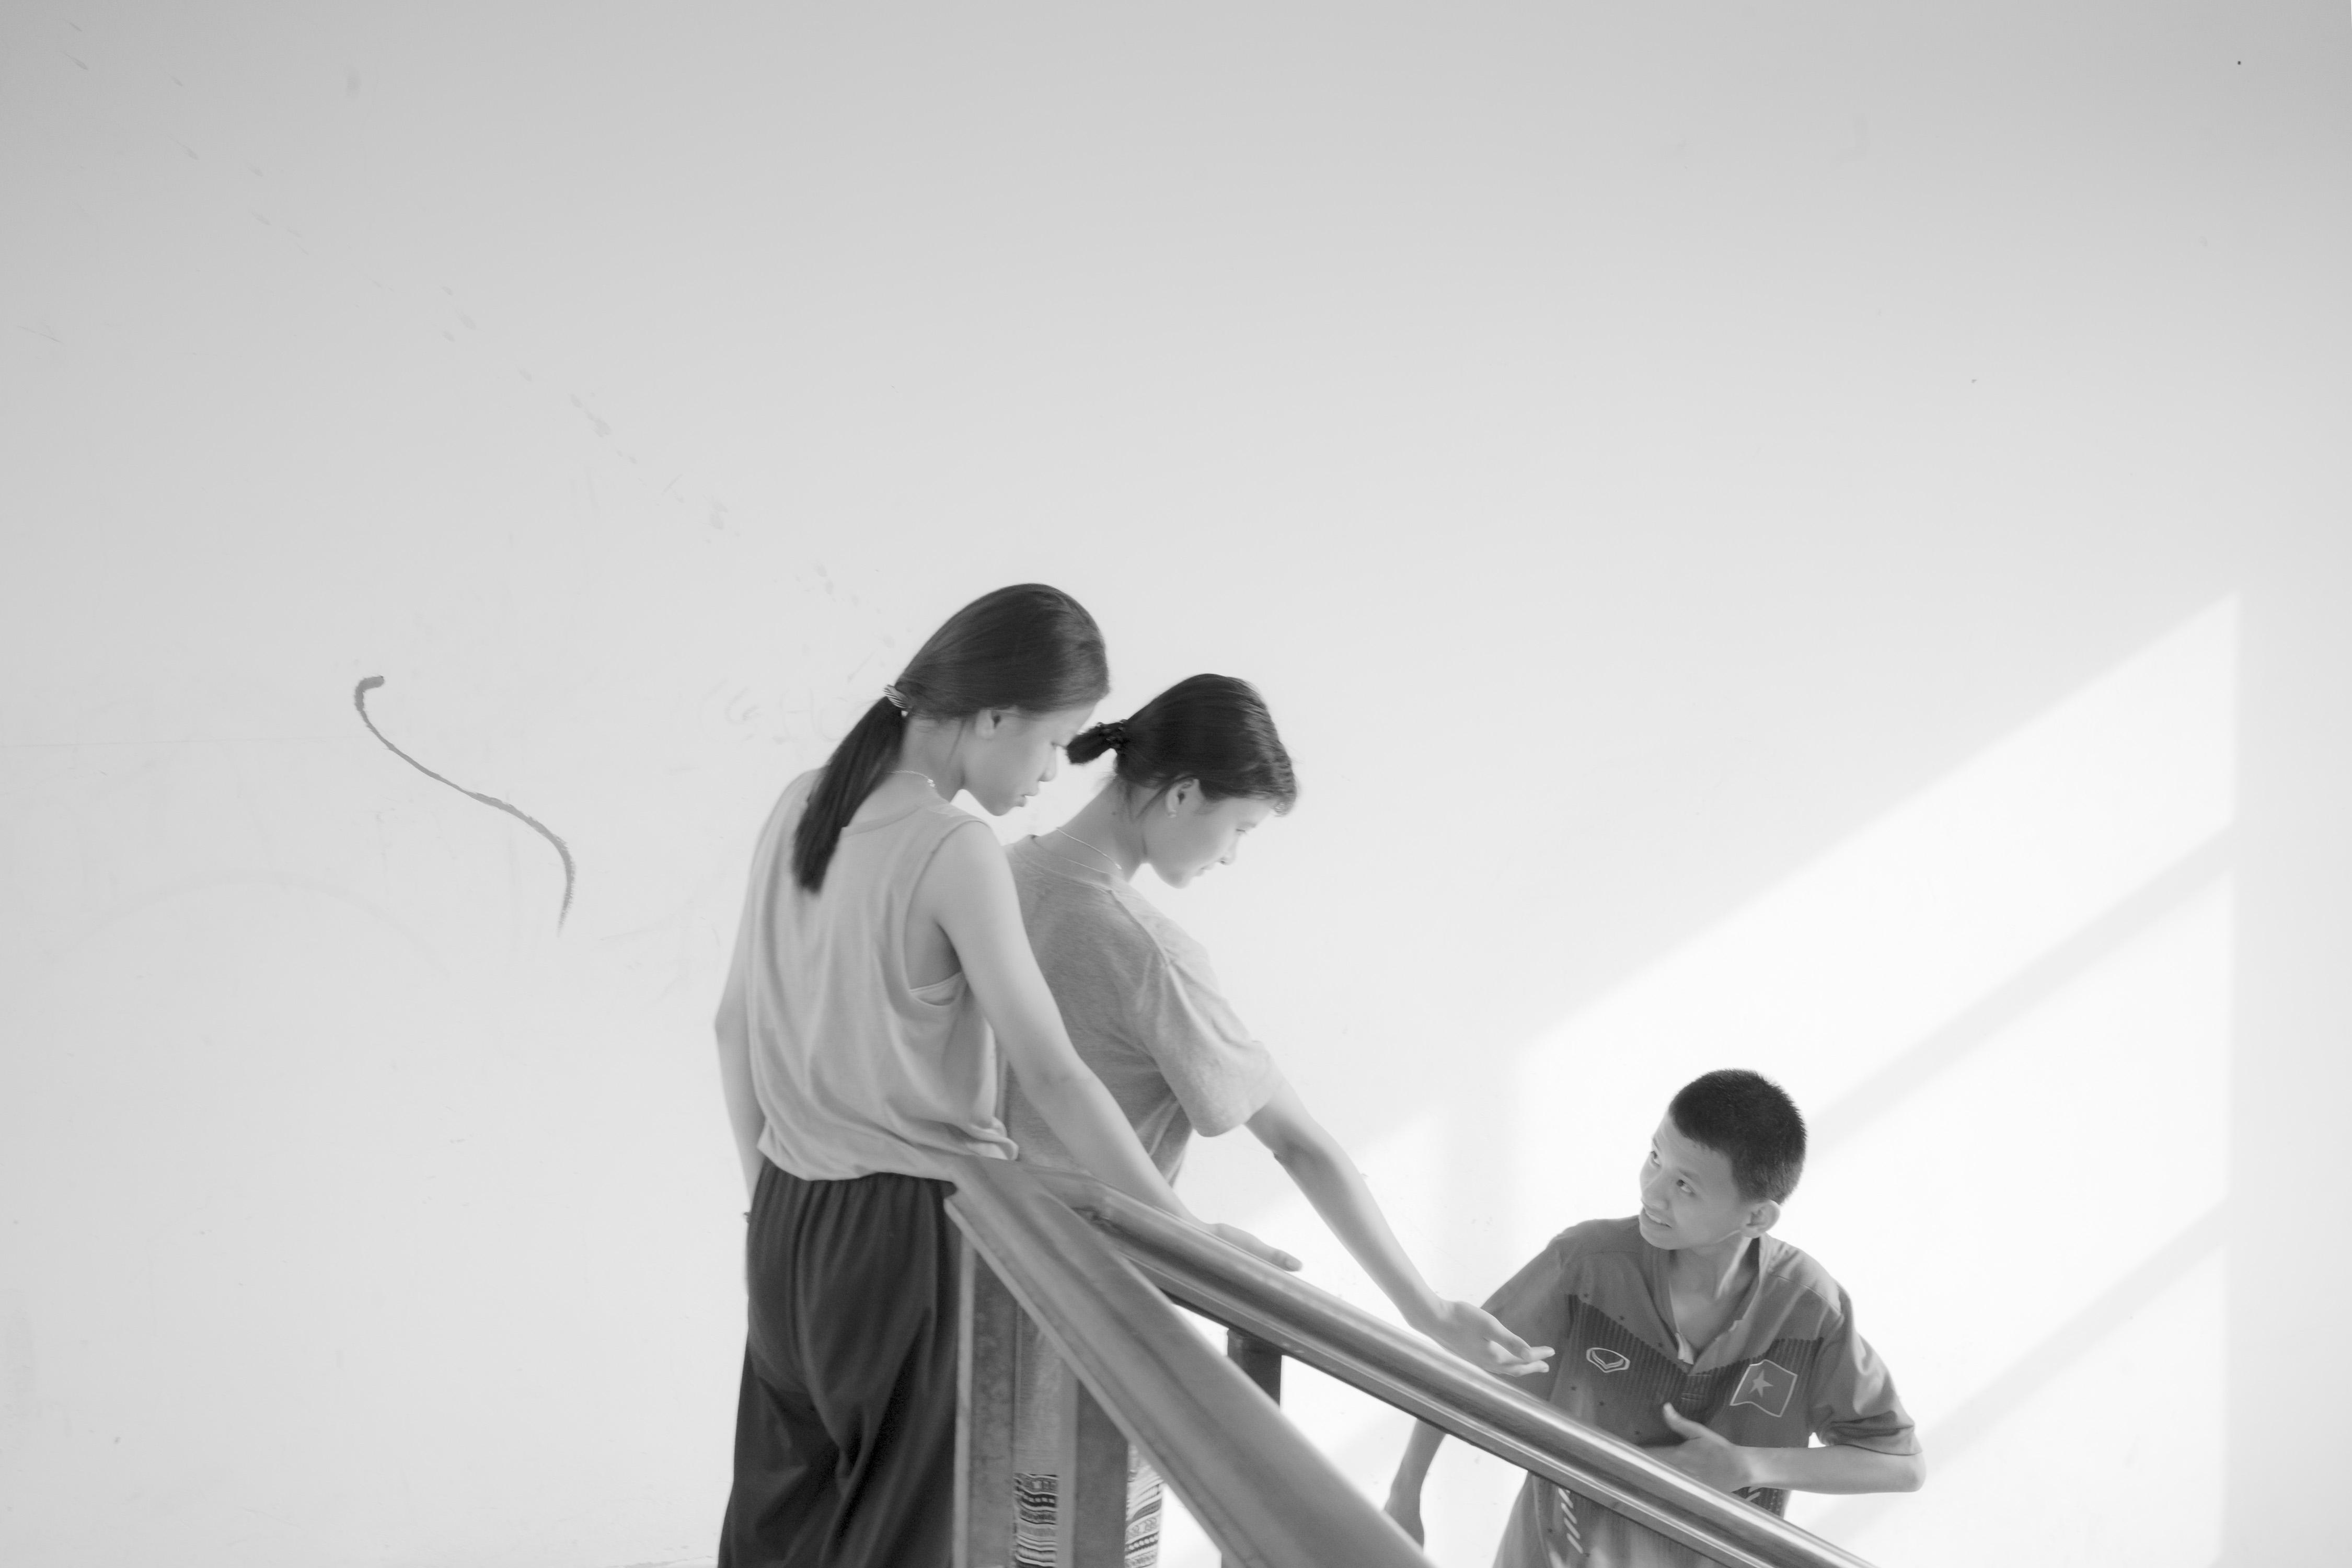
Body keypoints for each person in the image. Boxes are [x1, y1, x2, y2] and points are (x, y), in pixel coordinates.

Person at [710, 588, 1288, 1568]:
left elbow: (733, 1026)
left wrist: (768, 1202)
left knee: (779, 1530)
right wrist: (1183, 1235)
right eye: (1052, 741)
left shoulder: (802, 799)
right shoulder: (953, 845)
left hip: (787, 1219)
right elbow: (1053, 1074)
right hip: (908, 1237)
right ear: (992, 717)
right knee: (904, 1544)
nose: (1053, 771)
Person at [1001, 673, 1552, 1568]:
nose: (1232, 857)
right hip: (1089, 1322)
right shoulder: (1147, 952)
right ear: (1184, 795)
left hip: (964, 1291)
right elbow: (1298, 1143)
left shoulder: (994, 877)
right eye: (1242, 829)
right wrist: (1426, 1311)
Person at [1383, 1069, 1924, 1567]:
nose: (1652, 1192)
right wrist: (1404, 1496)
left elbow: (1901, 1464)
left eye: (1685, 1185)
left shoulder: (1809, 1309)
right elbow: (1465, 1370)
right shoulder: (1587, 1264)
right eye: (1655, 1158)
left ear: (1757, 1216)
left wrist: (1748, 1465)